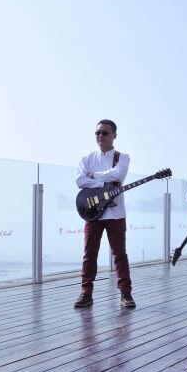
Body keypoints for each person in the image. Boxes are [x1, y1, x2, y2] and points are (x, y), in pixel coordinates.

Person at [74, 119, 135, 308]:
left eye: (105, 133)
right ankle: (86, 294)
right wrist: (104, 183)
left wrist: (93, 175)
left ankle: (126, 293)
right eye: (97, 133)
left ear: (114, 135)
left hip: (116, 213)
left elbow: (118, 175)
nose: (100, 136)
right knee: (89, 254)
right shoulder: (86, 159)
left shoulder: (123, 158)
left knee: (120, 254)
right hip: (93, 212)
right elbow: (80, 181)